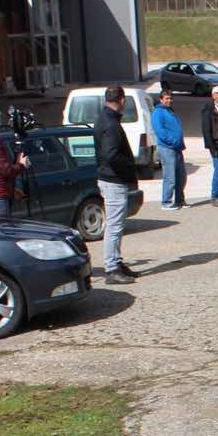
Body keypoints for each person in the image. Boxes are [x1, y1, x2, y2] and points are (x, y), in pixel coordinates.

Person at [93, 85, 140, 286]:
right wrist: (131, 163)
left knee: (117, 225)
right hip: (113, 180)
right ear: (121, 99)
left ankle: (117, 262)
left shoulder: (105, 118)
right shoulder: (110, 124)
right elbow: (111, 155)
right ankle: (111, 268)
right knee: (114, 226)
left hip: (110, 178)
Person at [151, 89, 187, 210]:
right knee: (170, 176)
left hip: (177, 148)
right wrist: (173, 141)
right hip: (167, 148)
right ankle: (166, 202)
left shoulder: (169, 111)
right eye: (166, 98)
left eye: (170, 98)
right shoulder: (158, 112)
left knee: (181, 176)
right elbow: (160, 132)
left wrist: (179, 143)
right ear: (161, 99)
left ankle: (180, 201)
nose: (169, 100)